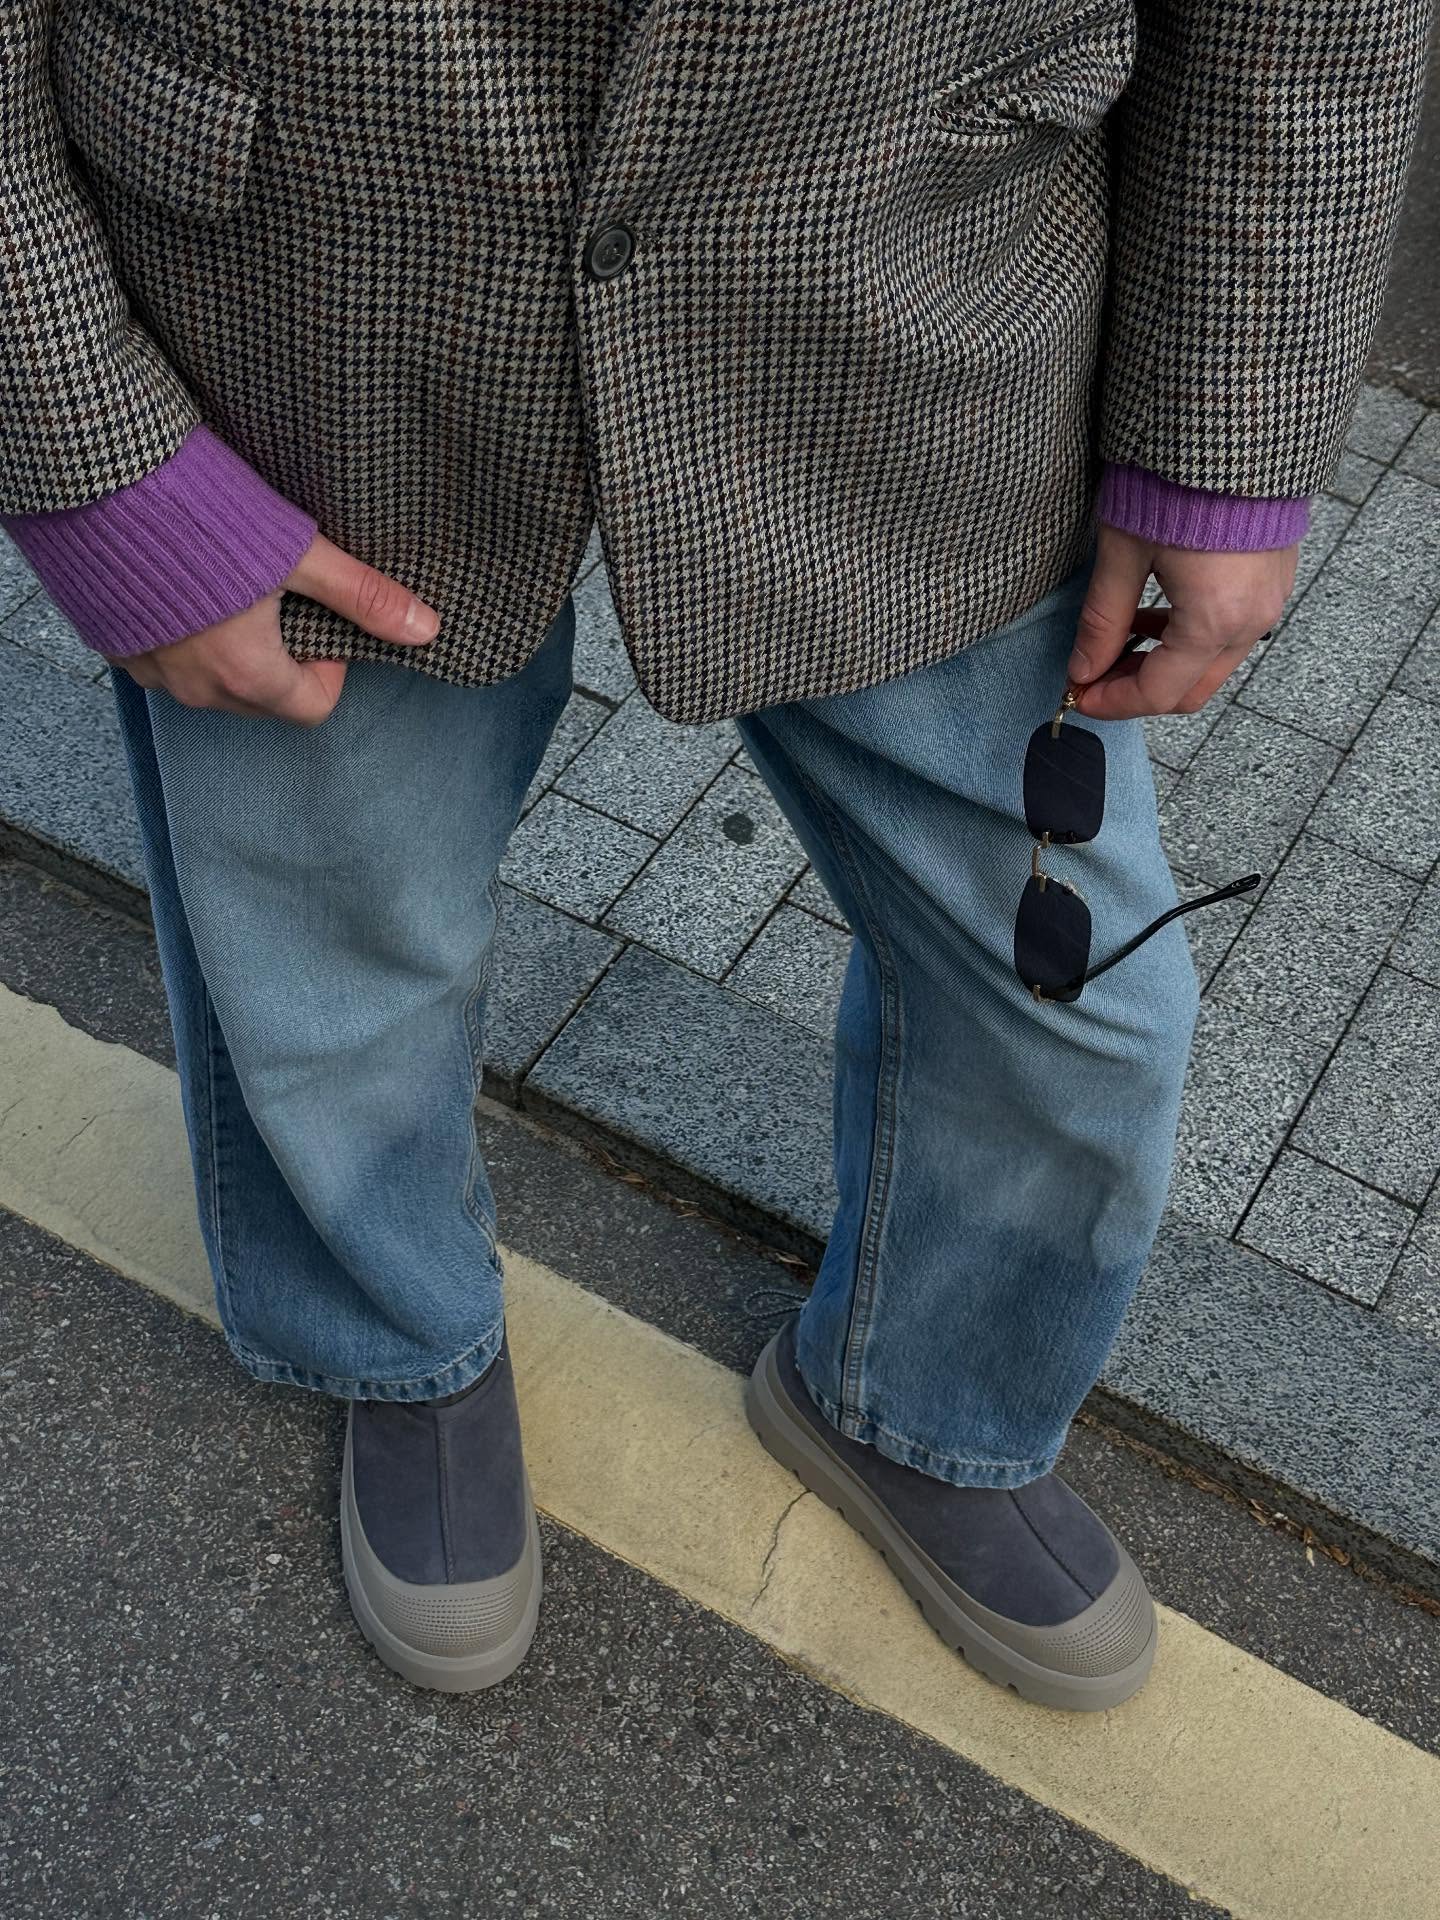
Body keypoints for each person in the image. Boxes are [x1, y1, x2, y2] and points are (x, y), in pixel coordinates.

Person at [2, 1, 1428, 1709]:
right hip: (301, 308)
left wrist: (1229, 428)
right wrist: (83, 444)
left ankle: (923, 1403)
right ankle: (398, 1340)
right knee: (328, 944)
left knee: (1075, 1005)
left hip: (921, 291)